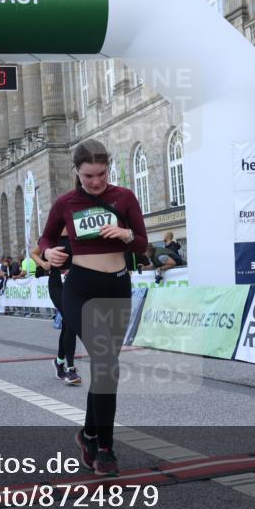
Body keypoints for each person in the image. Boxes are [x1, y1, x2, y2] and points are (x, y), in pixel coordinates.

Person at [39, 139, 148, 477]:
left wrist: (126, 234)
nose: (96, 182)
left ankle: (88, 435)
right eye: (88, 176)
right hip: (80, 289)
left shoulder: (124, 197)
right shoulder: (66, 202)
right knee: (104, 361)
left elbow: (144, 244)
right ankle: (105, 448)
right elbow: (45, 239)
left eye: (101, 174)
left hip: (116, 286)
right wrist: (48, 253)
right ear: (76, 171)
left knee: (106, 367)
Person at [33, 233, 82, 385]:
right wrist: (42, 263)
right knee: (70, 321)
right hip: (56, 284)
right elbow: (34, 253)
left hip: (74, 283)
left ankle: (59, 362)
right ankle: (71, 369)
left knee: (69, 324)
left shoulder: (76, 235)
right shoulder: (49, 237)